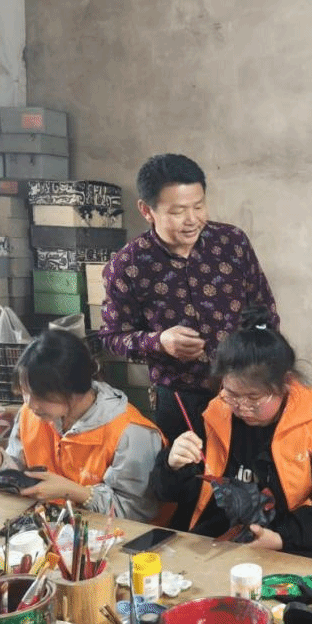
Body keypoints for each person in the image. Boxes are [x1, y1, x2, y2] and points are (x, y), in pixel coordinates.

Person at [149, 308, 312, 560]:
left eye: (253, 397)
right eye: (232, 394)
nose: (241, 407)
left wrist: (281, 538)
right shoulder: (214, 413)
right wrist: (172, 465)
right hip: (217, 545)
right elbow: (170, 494)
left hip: (294, 545)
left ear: (285, 383)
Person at [99, 153, 279, 444]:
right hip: (179, 399)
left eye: (199, 206)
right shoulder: (128, 265)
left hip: (245, 392)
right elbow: (112, 337)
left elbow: (265, 311)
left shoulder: (232, 243)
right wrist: (159, 342)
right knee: (186, 469)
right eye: (178, 211)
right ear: (146, 210)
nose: (192, 220)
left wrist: (263, 370)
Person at [0, 330, 164, 521]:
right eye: (25, 392)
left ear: (75, 389)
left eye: (41, 395)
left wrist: (74, 492)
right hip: (52, 530)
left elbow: (137, 512)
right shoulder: (31, 415)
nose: (30, 404)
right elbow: (21, 476)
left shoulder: (132, 433)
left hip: (116, 538)